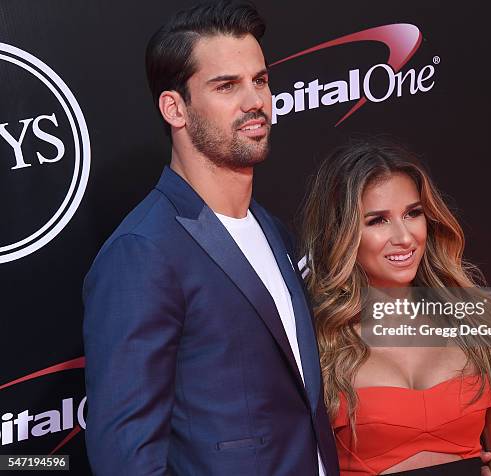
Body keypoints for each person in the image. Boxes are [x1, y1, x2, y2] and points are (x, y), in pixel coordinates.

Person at [82, 2, 339, 475]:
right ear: (174, 108)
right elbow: (126, 458)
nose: (255, 101)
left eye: (260, 80)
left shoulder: (274, 230)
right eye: (226, 86)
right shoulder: (143, 252)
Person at [299, 138, 491, 475]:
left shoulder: (473, 320)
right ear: (341, 233)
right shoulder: (317, 342)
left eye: (413, 213)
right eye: (377, 220)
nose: (404, 237)